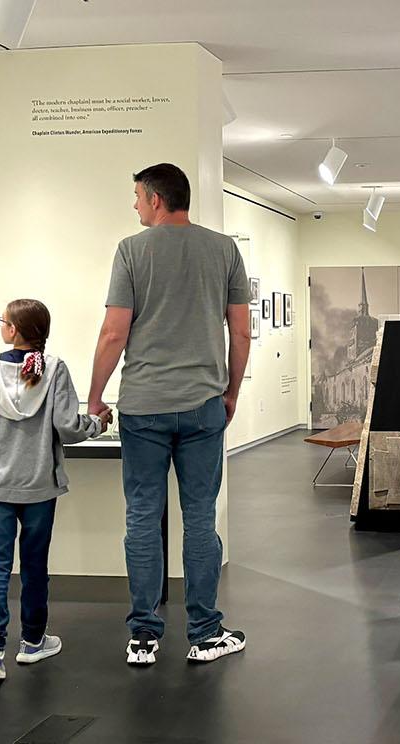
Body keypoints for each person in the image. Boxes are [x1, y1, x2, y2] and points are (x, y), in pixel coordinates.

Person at [87, 163, 251, 665]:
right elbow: (240, 332)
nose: (135, 205)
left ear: (156, 200)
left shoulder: (131, 251)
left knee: (142, 518)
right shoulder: (224, 250)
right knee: (200, 518)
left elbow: (114, 333)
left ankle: (143, 637)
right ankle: (204, 633)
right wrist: (231, 392)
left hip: (142, 408)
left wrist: (95, 398)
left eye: (137, 196)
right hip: (203, 406)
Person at [0, 299, 111, 685]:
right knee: (35, 565)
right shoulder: (55, 370)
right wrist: (98, 424)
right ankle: (33, 642)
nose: (1, 325)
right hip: (39, 486)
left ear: (13, 332)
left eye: (3, 320)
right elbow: (69, 428)